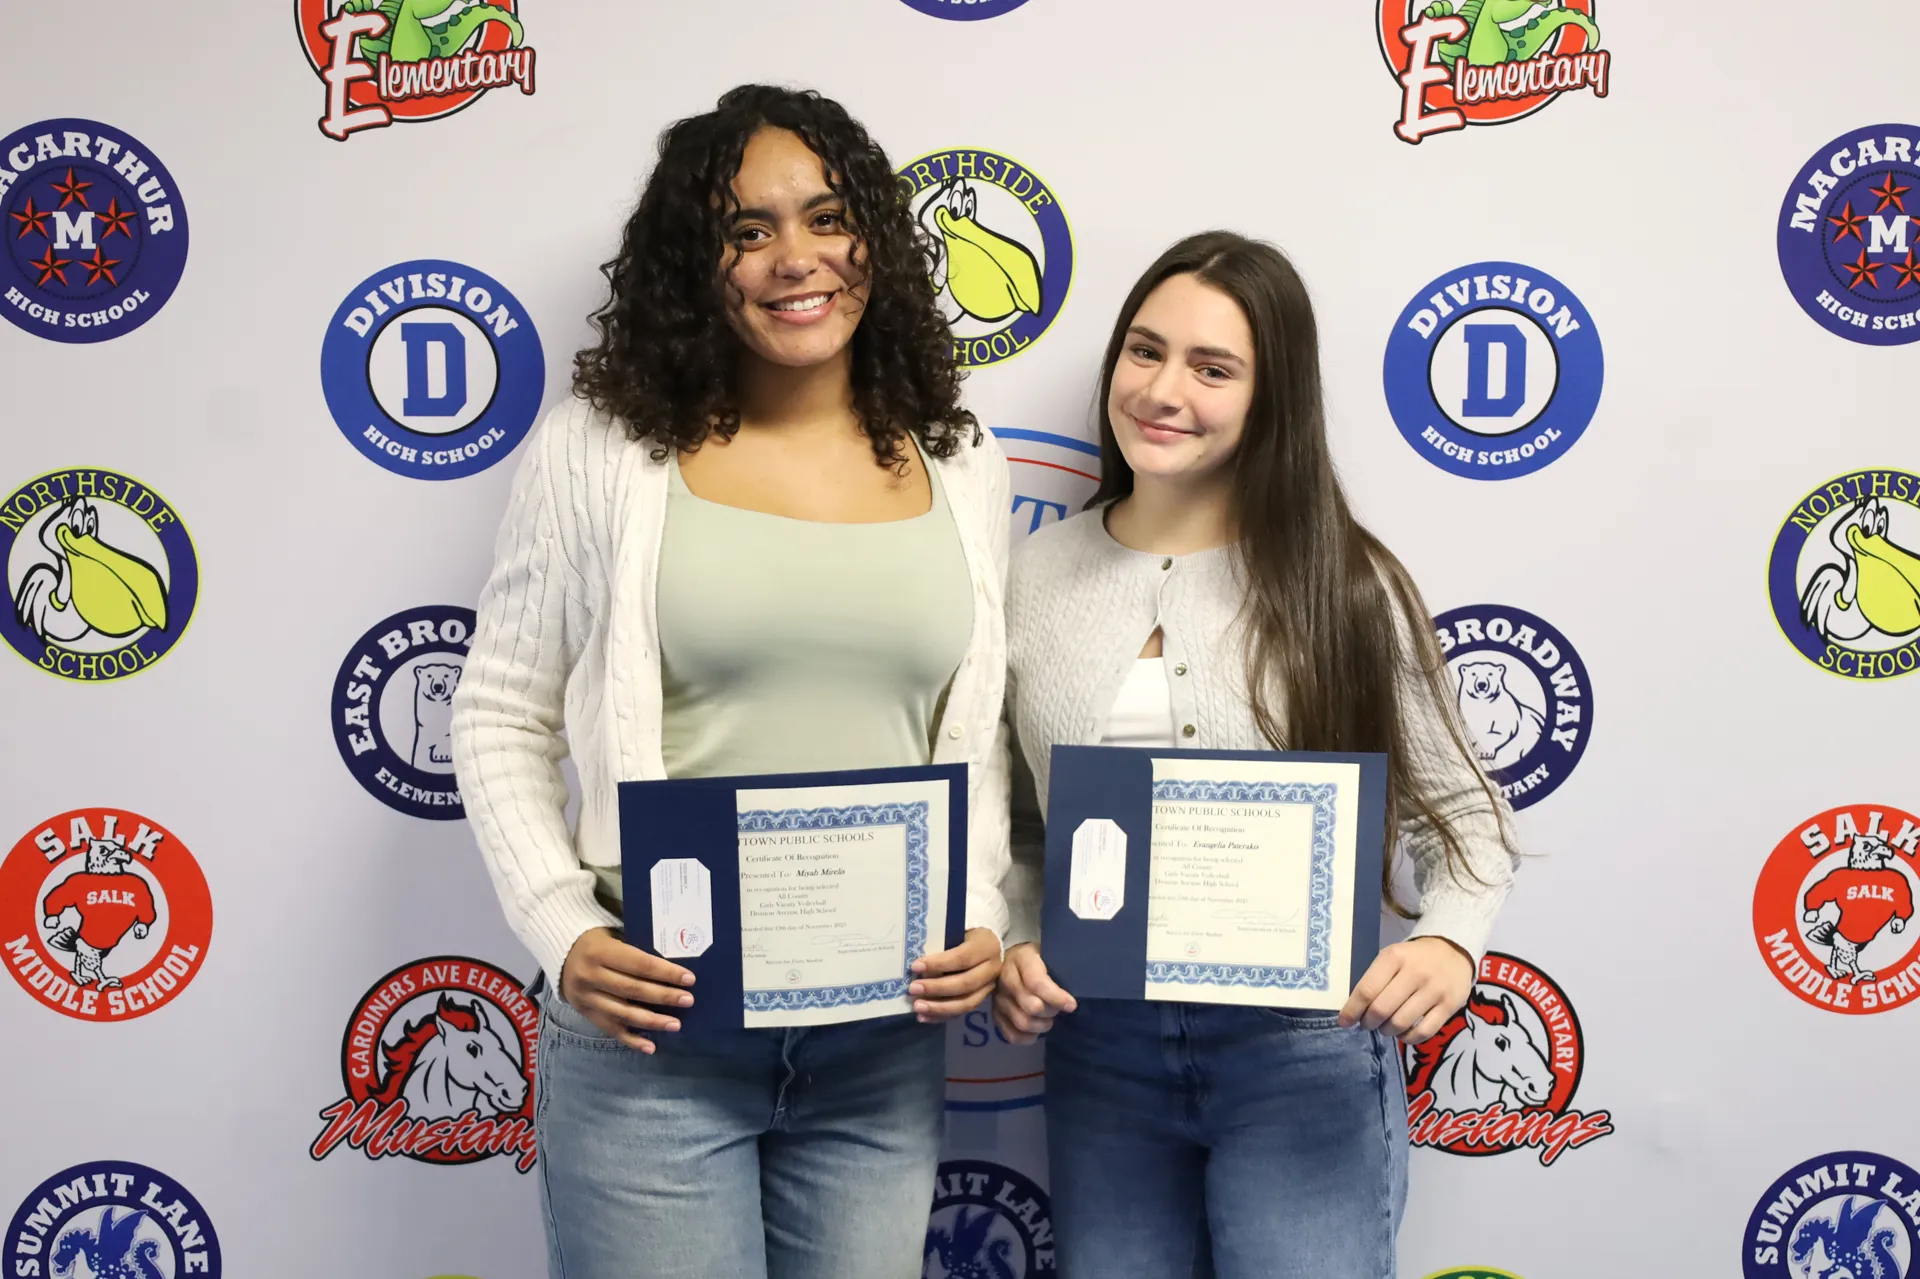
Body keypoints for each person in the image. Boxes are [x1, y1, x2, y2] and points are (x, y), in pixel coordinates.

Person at [449, 84, 1012, 1279]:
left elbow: (971, 730)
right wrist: (560, 925)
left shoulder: (960, 459)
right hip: (658, 1038)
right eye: (746, 231)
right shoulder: (599, 449)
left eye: (824, 217)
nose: (793, 259)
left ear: (876, 238)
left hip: (880, 1044)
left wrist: (986, 912)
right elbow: (499, 709)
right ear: (694, 265)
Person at [991, 231, 1521, 1279]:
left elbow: (1466, 818)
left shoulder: (1345, 581)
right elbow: (1005, 824)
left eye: (1212, 367)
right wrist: (1008, 933)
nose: (1162, 388)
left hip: (1304, 1054)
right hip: (1101, 1053)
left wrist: (1450, 946)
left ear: (1271, 396)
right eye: (1144, 351)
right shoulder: (1032, 577)